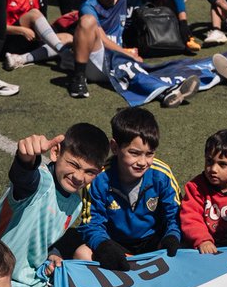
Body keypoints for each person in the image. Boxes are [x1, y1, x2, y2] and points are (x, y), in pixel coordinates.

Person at [0, 126, 109, 287]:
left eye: (89, 172)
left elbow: (47, 238)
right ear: (55, 152)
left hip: (37, 283)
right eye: (74, 164)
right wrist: (25, 158)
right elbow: (23, 178)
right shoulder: (39, 181)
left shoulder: (75, 204)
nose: (79, 177)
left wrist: (53, 255)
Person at [78, 107, 182, 270]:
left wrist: (172, 236)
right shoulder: (98, 178)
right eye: (134, 153)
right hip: (117, 244)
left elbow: (175, 214)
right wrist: (104, 245)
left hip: (155, 241)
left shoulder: (162, 174)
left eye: (149, 154)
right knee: (82, 253)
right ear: (115, 147)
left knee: (185, 243)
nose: (142, 162)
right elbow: (91, 222)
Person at [65, 0, 134, 99]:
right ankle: (79, 78)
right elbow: (103, 39)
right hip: (96, 62)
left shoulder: (123, 0)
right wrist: (129, 55)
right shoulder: (89, 6)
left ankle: (169, 91)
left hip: (116, 61)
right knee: (87, 21)